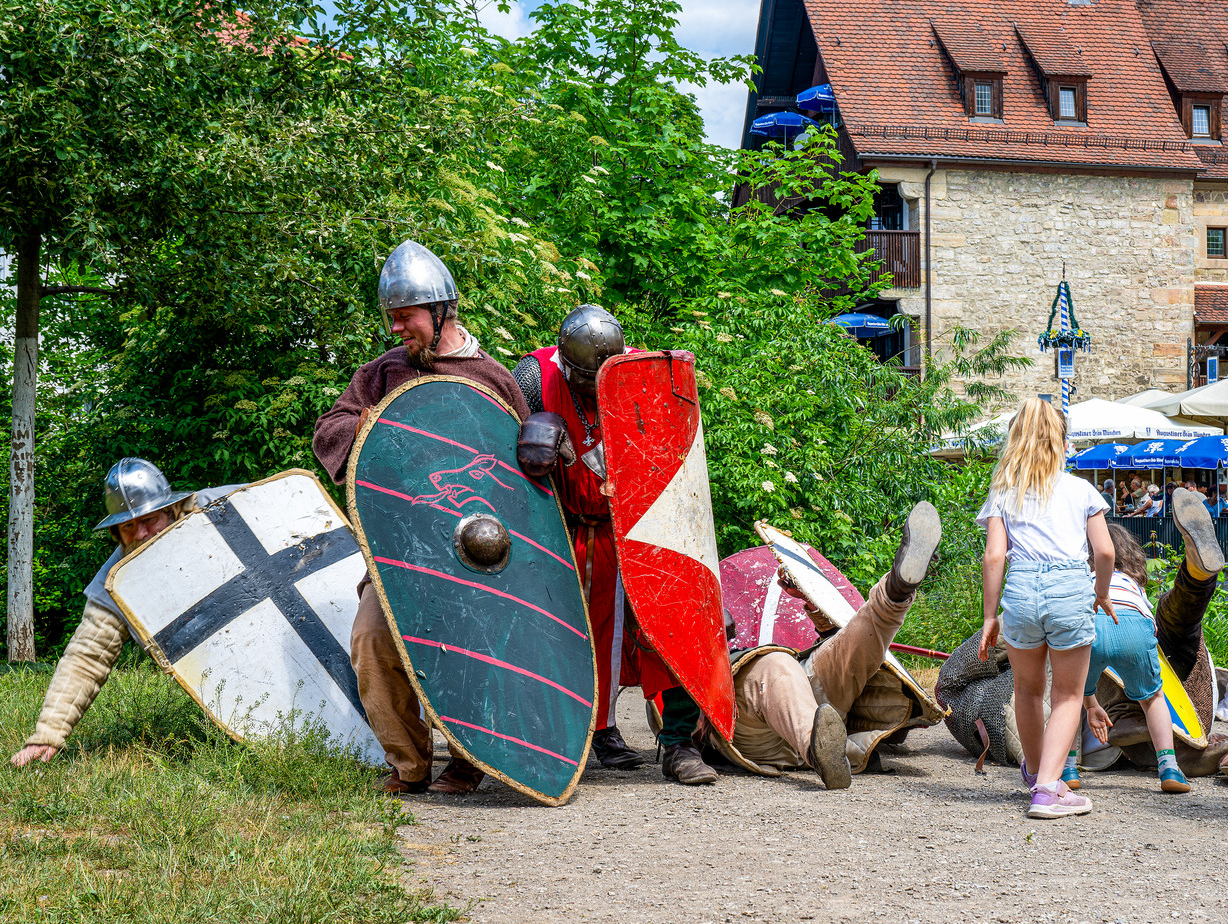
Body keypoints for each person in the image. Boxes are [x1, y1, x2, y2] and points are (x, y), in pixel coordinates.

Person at [313, 240, 530, 796]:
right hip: (398, 548)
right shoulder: (382, 375)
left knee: (470, 654)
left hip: (473, 554)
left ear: (442, 312)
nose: (395, 329)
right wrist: (378, 433)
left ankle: (468, 757)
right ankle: (409, 763)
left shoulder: (494, 379)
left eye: (405, 317)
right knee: (371, 640)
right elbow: (329, 430)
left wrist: (539, 451)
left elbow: (527, 481)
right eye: (391, 318)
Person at [512, 304, 721, 785]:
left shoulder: (642, 375)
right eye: (583, 378)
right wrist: (533, 447)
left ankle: (678, 745)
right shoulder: (534, 375)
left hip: (636, 530)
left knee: (670, 621)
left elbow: (674, 453)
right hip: (559, 527)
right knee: (564, 634)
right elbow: (502, 448)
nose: (590, 387)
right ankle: (589, 733)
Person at [10, 459, 239, 767]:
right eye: (129, 526)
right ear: (116, 533)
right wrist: (47, 735)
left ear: (172, 510)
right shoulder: (116, 582)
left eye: (151, 519)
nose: (142, 533)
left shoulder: (225, 507)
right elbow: (86, 658)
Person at [711, 503, 943, 788]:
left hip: (819, 702)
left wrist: (810, 598)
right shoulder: (709, 622)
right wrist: (709, 628)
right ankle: (821, 751)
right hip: (750, 723)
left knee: (846, 647)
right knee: (776, 663)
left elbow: (837, 644)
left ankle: (895, 592)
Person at [977, 397, 1115, 819]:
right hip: (1069, 586)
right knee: (1069, 694)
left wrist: (989, 615)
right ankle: (1048, 789)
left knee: (1028, 690)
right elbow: (1105, 552)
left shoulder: (1004, 491)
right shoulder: (1081, 490)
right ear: (1061, 440)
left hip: (1020, 590)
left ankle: (1036, 770)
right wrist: (1102, 593)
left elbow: (994, 557)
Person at [1079, 524, 1191, 793]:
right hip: (1134, 626)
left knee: (1070, 699)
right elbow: (1147, 619)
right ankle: (1169, 767)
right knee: (1153, 699)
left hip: (1092, 624)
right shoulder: (1132, 583)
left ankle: (1069, 768)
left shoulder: (1084, 574)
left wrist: (1088, 699)